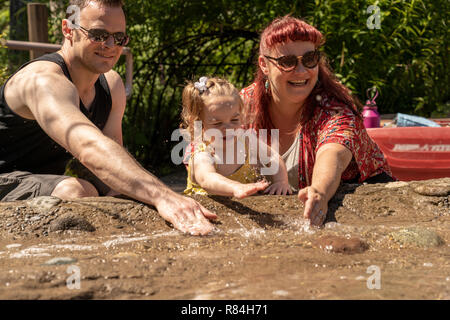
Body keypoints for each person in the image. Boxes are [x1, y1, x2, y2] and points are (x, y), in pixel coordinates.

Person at [0, 0, 217, 235]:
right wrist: (163, 195)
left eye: (120, 37)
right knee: (76, 191)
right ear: (68, 29)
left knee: (124, 192)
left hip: (42, 182)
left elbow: (110, 161)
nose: (111, 45)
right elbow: (88, 147)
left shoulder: (112, 85)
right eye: (99, 34)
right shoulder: (43, 80)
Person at [240, 15, 394, 227]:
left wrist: (319, 190)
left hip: (368, 208)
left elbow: (334, 155)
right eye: (287, 62)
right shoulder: (242, 104)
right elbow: (202, 142)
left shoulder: (335, 108)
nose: (302, 71)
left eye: (310, 59)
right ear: (264, 65)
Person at [181, 77, 292, 198]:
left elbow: (273, 157)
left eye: (234, 120)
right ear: (199, 124)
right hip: (206, 211)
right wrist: (235, 187)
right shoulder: (203, 153)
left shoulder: (246, 141)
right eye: (217, 123)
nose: (228, 128)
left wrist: (281, 182)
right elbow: (207, 179)